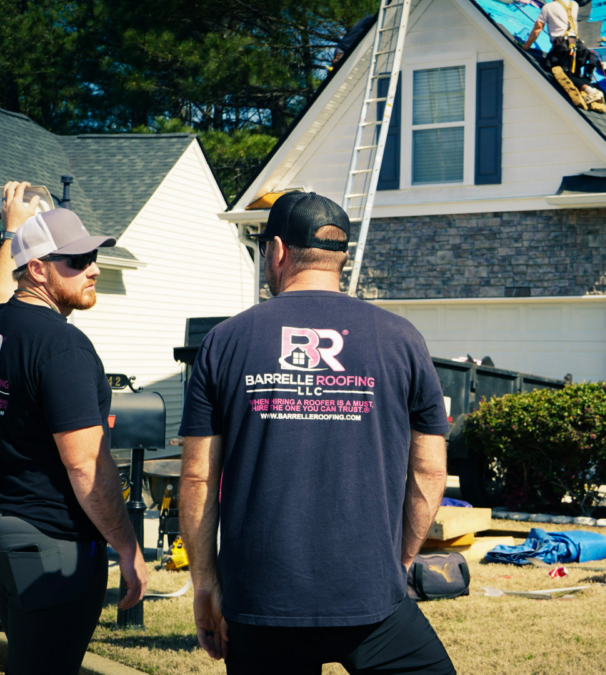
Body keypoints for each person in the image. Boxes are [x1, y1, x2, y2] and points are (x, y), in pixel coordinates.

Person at [179, 191, 455, 674]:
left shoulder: (225, 341)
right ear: (340, 257)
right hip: (372, 595)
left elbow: (199, 479)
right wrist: (402, 563)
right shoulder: (403, 339)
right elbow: (430, 471)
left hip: (261, 602)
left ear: (278, 251)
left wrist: (205, 585)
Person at [0, 181, 147, 674]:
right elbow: (86, 466)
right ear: (38, 270)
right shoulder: (63, 348)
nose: (92, 268)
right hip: (49, 547)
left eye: (93, 256)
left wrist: (11, 232)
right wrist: (129, 548)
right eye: (75, 260)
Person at [521, 0, 605, 112]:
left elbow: (538, 28)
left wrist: (526, 46)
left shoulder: (548, 7)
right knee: (573, 70)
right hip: (574, 43)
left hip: (562, 44)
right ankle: (589, 90)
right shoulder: (573, 4)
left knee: (564, 74)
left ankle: (591, 91)